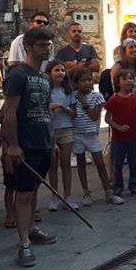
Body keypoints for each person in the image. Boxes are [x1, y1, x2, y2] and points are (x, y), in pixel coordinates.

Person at [2, 27, 59, 266]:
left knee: (34, 190)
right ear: (28, 47)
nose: (46, 48)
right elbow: (9, 112)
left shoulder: (45, 78)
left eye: (48, 45)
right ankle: (24, 243)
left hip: (44, 143)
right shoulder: (17, 75)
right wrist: (12, 145)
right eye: (41, 44)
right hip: (26, 145)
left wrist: (52, 140)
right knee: (23, 193)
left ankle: (32, 228)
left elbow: (47, 111)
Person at [70, 68, 123, 206]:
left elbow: (94, 117)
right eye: (83, 80)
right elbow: (73, 114)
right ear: (76, 83)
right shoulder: (72, 96)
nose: (87, 83)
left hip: (91, 135)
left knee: (100, 163)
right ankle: (86, 193)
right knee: (81, 164)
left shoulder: (97, 96)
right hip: (77, 134)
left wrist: (85, 104)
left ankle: (108, 192)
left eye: (89, 80)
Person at [106, 69, 136, 198]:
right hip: (118, 138)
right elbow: (107, 118)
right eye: (125, 78)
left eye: (130, 78)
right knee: (117, 163)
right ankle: (117, 186)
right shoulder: (114, 99)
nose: (129, 81)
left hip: (134, 136)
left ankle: (134, 185)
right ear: (118, 82)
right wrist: (118, 127)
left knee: (134, 163)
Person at [45, 60, 78, 211]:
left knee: (65, 163)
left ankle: (68, 196)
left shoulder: (68, 91)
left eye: (63, 70)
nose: (61, 73)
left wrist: (62, 108)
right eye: (57, 70)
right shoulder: (46, 90)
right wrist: (51, 106)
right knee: (53, 165)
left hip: (66, 128)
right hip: (51, 130)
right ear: (50, 73)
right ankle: (54, 196)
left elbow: (73, 113)